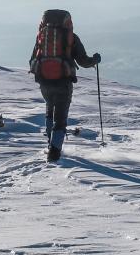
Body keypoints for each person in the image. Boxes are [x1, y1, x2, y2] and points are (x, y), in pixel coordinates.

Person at [29, 9, 100, 162]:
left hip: (44, 82)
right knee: (60, 118)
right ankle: (54, 153)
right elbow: (83, 61)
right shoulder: (70, 38)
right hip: (63, 82)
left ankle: (50, 144)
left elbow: (32, 59)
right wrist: (95, 60)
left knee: (50, 110)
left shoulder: (41, 37)